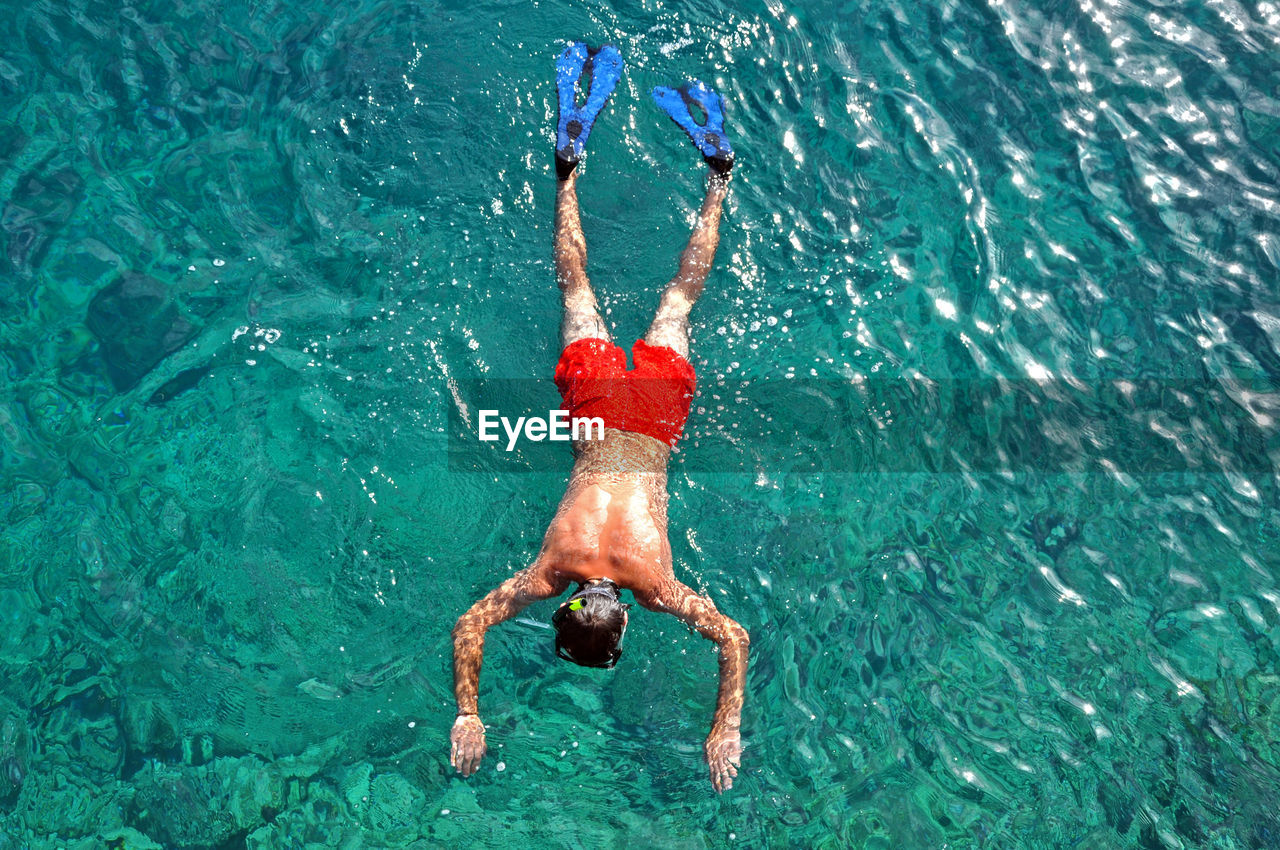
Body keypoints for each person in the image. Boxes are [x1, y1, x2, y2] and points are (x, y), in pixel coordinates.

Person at [449, 41, 748, 793]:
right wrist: (467, 712)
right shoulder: (553, 573)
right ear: (578, 610)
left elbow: (734, 640)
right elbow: (469, 625)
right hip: (593, 410)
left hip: (651, 419)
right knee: (575, 285)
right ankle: (568, 170)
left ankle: (718, 181)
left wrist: (725, 725)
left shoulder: (653, 586)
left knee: (679, 301)